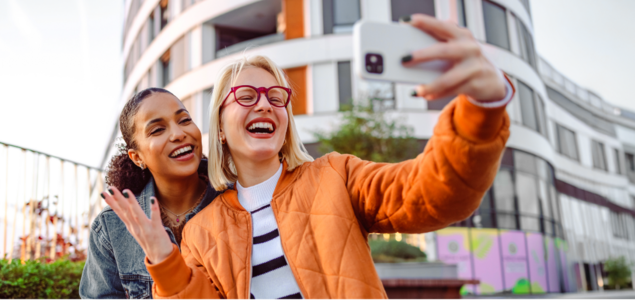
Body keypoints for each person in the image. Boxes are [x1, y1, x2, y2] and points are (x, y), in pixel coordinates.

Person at [102, 14, 515, 299]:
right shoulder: (201, 231)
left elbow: (431, 193)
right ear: (221, 126)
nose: (264, 105)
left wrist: (484, 107)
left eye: (276, 97)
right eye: (245, 97)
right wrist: (164, 261)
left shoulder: (336, 175)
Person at [79, 88, 222, 299]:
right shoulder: (111, 228)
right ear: (137, 157)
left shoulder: (236, 202)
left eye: (184, 120)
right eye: (157, 130)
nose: (179, 134)